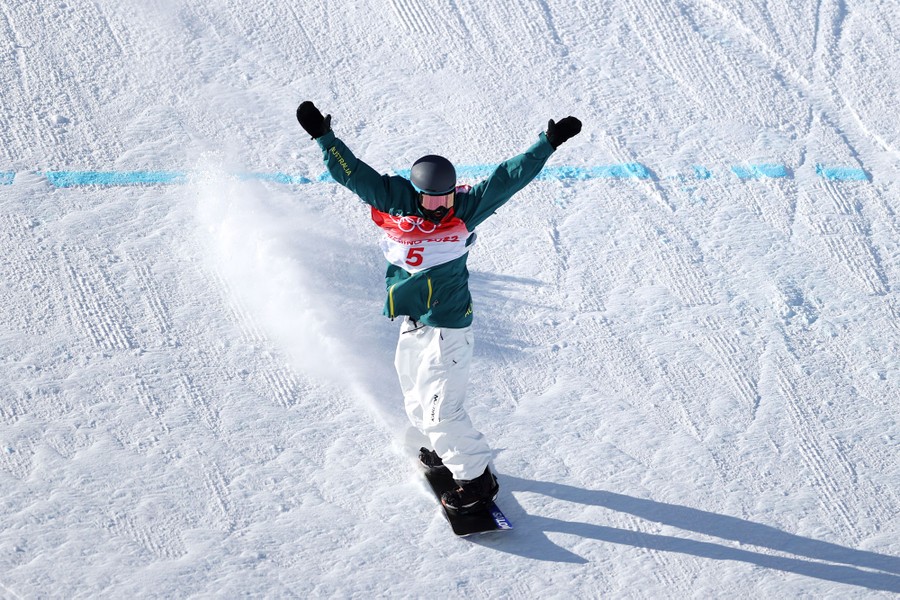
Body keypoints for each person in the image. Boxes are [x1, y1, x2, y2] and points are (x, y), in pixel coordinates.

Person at [296, 101, 582, 513]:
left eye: (445, 199)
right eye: (431, 202)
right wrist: (325, 138)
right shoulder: (393, 198)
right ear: (416, 194)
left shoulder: (464, 209)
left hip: (449, 325)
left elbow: (507, 179)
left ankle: (476, 481)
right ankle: (443, 450)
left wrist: (547, 143)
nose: (439, 209)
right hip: (414, 324)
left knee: (442, 411)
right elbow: (350, 172)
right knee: (414, 397)